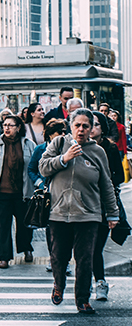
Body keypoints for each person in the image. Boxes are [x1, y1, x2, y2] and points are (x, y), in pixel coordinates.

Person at [39, 108, 119, 314]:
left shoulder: (97, 151)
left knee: (85, 258)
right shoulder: (58, 144)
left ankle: (82, 299)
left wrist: (112, 213)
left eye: (86, 126)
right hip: (59, 212)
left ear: (91, 129)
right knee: (58, 256)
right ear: (70, 126)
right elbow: (43, 167)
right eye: (78, 125)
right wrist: (64, 158)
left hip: (88, 214)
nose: (81, 129)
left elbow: (106, 184)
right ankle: (58, 284)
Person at [0, 115, 36, 268]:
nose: (6, 128)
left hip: (23, 192)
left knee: (25, 224)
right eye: (5, 125)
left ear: (19, 127)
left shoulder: (28, 144)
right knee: (3, 226)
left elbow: (34, 165)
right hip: (1, 193)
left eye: (10, 125)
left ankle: (26, 248)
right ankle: (4, 257)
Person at [27, 118, 71, 275]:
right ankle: (54, 259)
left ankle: (64, 261)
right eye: (60, 132)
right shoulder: (41, 149)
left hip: (65, 193)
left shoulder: (69, 148)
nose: (63, 135)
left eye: (65, 131)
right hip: (48, 195)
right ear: (51, 135)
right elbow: (31, 169)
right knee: (51, 230)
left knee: (66, 228)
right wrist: (39, 183)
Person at [90, 111, 124, 301]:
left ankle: (100, 282)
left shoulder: (109, 148)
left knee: (95, 248)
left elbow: (120, 176)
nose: (90, 128)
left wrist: (104, 182)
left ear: (102, 128)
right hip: (83, 204)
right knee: (84, 248)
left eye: (95, 124)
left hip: (103, 204)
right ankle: (86, 281)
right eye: (88, 124)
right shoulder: (78, 147)